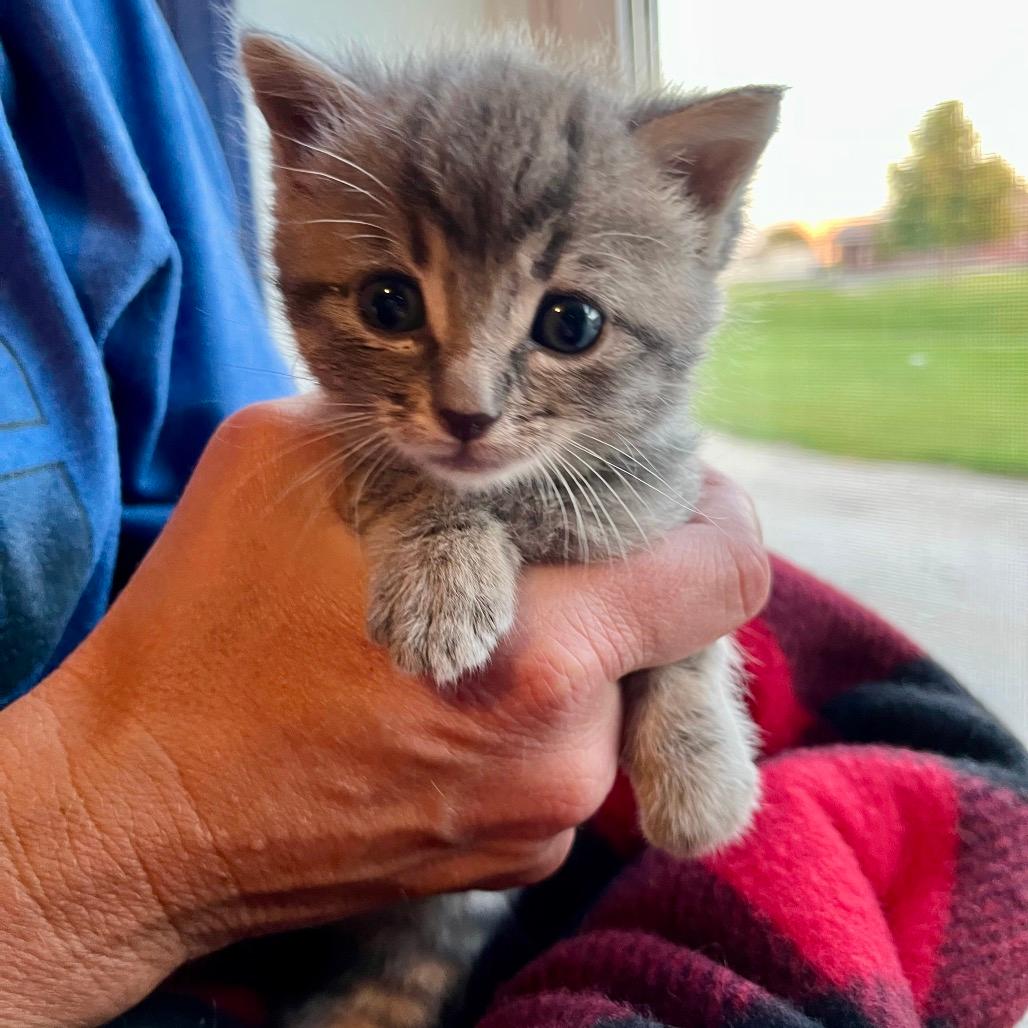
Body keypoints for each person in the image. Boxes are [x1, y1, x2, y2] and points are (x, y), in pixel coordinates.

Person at [0, 2, 769, 1023]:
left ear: (704, 200)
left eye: (565, 322)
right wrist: (430, 515)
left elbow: (665, 560)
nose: (467, 399)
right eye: (392, 307)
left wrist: (686, 681)